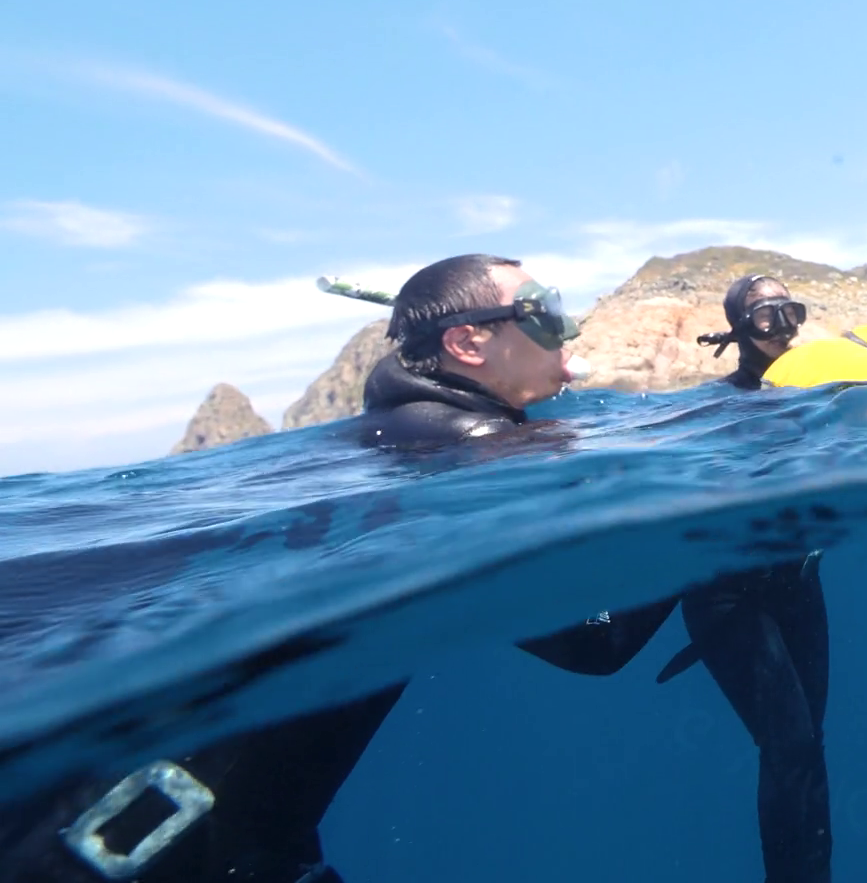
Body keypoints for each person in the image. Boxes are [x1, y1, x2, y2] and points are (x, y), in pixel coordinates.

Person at [0, 255, 678, 883]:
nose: (566, 324)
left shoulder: (392, 440)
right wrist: (679, 532)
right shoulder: (470, 454)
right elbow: (594, 642)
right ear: (468, 344)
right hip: (181, 845)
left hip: (137, 822)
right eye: (541, 307)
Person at [655, 273, 833, 883]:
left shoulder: (819, 391)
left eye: (792, 312)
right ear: (739, 330)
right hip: (727, 597)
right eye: (765, 317)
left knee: (810, 744)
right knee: (789, 744)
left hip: (797, 585)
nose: (782, 328)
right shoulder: (718, 405)